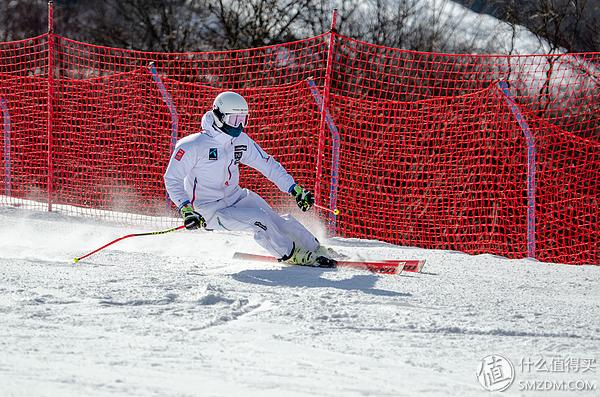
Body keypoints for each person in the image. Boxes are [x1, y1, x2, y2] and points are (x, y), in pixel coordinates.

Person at [163, 91, 333, 267]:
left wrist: (294, 188)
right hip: (209, 210)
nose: (240, 126)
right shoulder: (193, 145)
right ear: (219, 116)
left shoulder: (240, 141)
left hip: (236, 196)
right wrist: (186, 209)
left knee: (277, 219)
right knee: (259, 220)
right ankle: (291, 254)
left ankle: (314, 248)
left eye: (243, 119)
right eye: (234, 119)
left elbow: (267, 164)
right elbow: (172, 179)